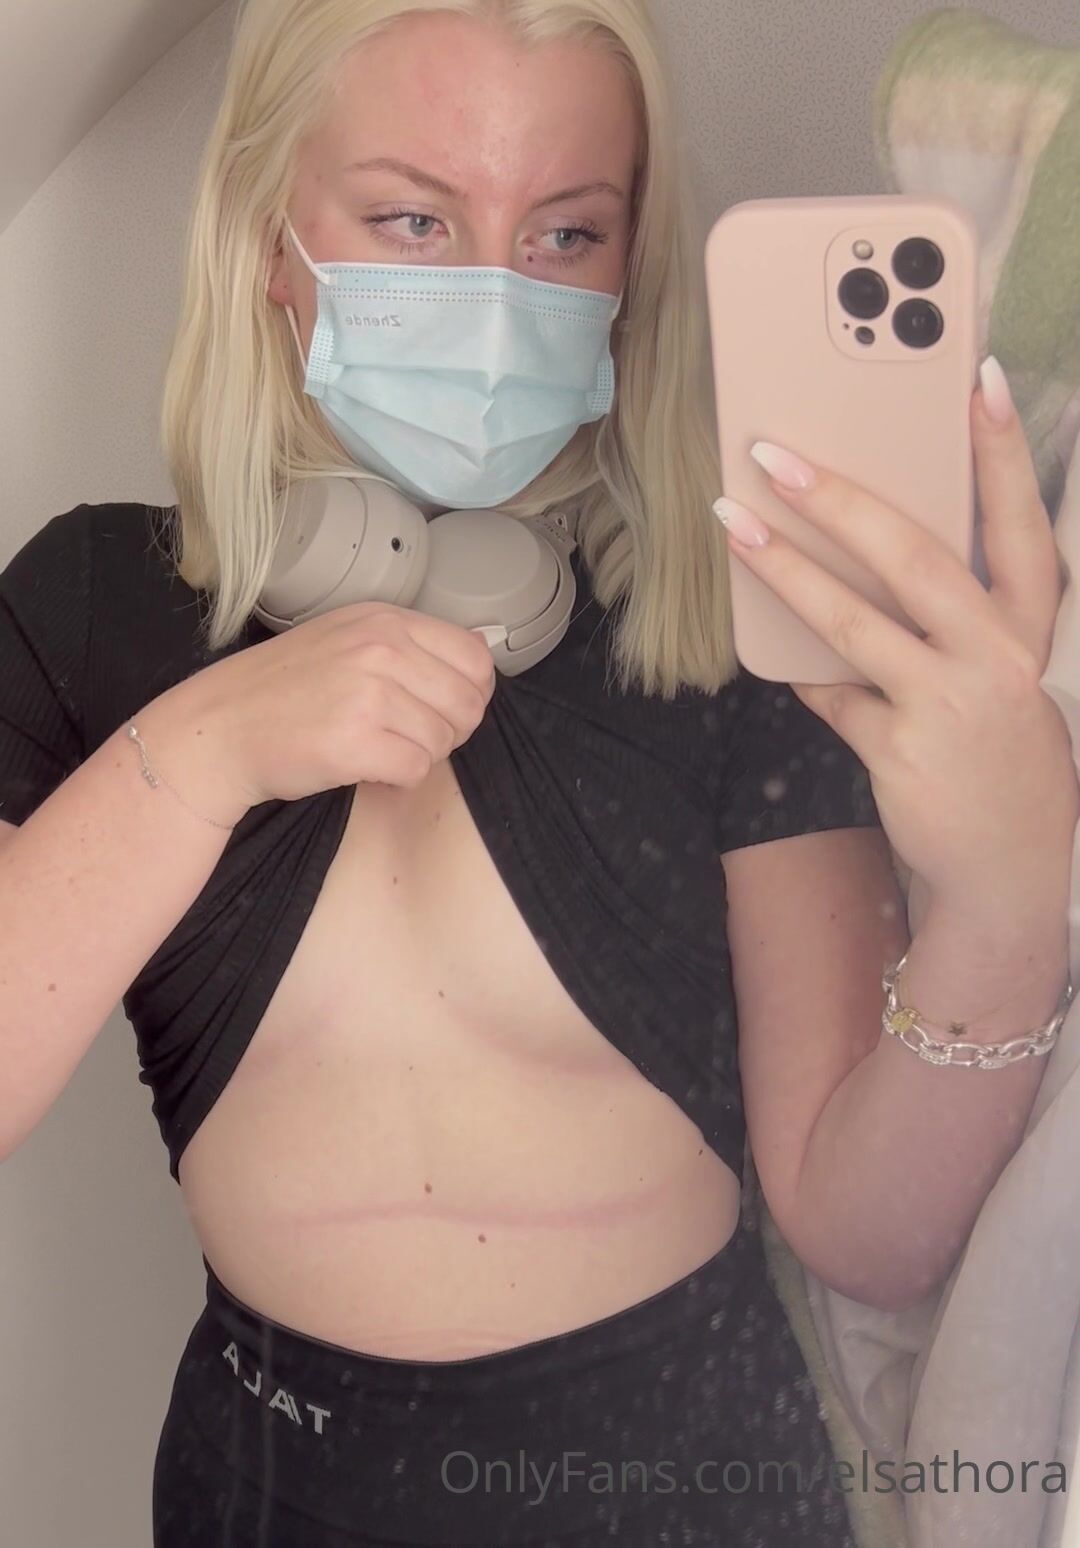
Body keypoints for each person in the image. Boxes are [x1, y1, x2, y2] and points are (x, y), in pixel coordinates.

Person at [0, 1, 1075, 1544]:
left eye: (567, 234)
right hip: (267, 1489)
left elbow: (872, 1233)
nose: (499, 301)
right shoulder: (93, 608)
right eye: (414, 219)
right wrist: (202, 751)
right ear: (266, 240)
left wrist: (1008, 892)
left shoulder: (731, 642)